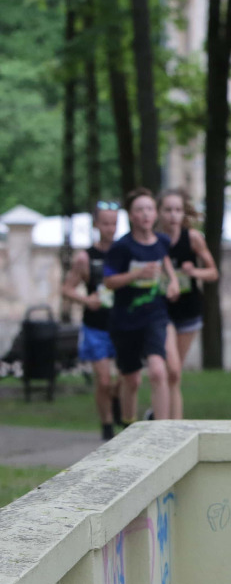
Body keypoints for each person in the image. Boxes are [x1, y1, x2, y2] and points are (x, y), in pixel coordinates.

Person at [104, 188, 181, 422]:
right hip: (125, 320)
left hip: (154, 316)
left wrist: (173, 282)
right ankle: (128, 425)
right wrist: (136, 275)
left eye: (149, 209)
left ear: (155, 214)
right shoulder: (121, 247)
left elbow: (164, 260)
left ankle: (162, 430)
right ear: (131, 215)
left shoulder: (162, 241)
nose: (145, 214)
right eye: (139, 210)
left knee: (158, 371)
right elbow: (108, 281)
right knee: (132, 380)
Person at [62, 201, 122, 439]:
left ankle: (117, 403)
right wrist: (87, 300)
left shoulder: (125, 252)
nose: (110, 228)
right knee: (104, 381)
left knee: (124, 380)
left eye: (114, 223)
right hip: (96, 326)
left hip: (123, 325)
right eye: (106, 223)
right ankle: (107, 426)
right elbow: (67, 289)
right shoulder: (85, 257)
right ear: (96, 224)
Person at [158, 189, 219, 419]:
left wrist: (194, 272)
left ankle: (170, 420)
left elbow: (213, 272)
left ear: (184, 213)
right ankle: (164, 418)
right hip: (161, 311)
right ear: (159, 212)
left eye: (178, 210)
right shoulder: (152, 239)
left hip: (188, 309)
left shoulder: (192, 238)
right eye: (168, 210)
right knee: (171, 369)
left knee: (175, 374)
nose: (173, 215)